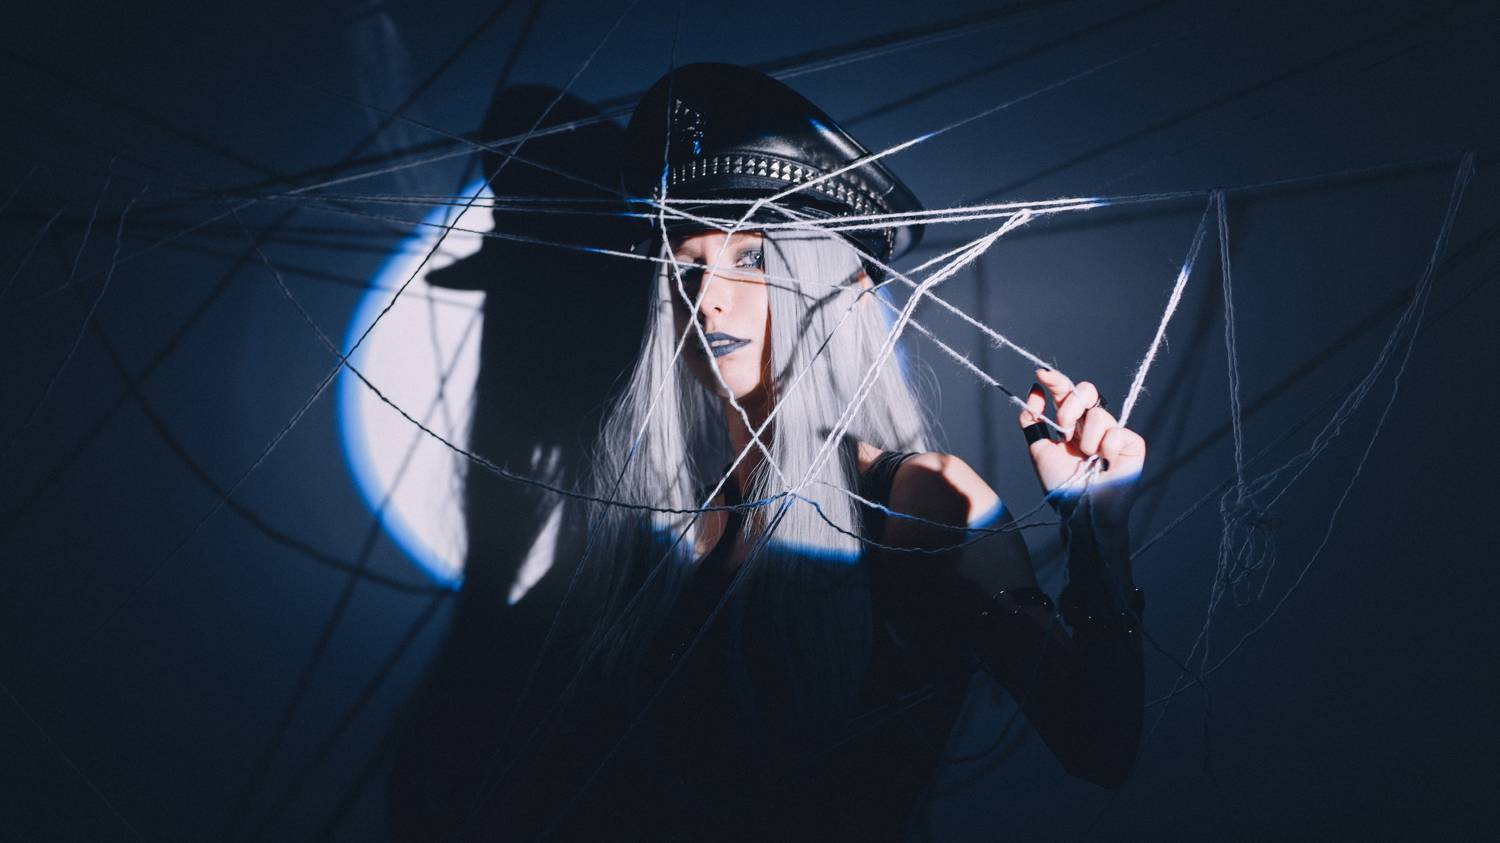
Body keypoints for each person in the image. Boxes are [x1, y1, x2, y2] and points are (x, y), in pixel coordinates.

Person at [481, 64, 1147, 841]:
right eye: (687, 262)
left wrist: (1097, 531)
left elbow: (1099, 745)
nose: (707, 297)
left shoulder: (920, 502)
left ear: (845, 283)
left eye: (751, 257)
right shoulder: (674, 516)